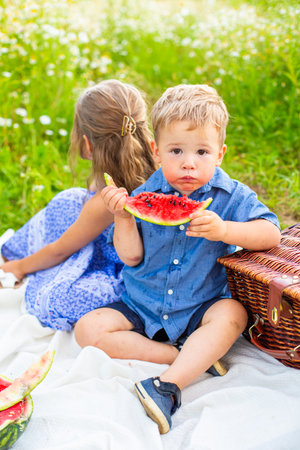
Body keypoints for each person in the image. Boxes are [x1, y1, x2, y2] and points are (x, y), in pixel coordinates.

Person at [74, 84, 281, 433]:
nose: (188, 162)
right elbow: (132, 255)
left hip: (200, 306)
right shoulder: (143, 195)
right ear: (156, 151)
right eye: (176, 151)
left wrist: (225, 230)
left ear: (220, 154)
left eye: (202, 151)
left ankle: (167, 386)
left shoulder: (232, 197)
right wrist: (124, 217)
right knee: (87, 329)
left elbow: (271, 233)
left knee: (233, 314)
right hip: (142, 305)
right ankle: (186, 358)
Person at [0, 79, 157, 331]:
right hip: (125, 249)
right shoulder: (159, 164)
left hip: (130, 278)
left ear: (86, 144)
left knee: (52, 300)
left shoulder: (104, 201)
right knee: (69, 201)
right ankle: (15, 252)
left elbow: (59, 251)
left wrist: (16, 269)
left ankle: (15, 258)